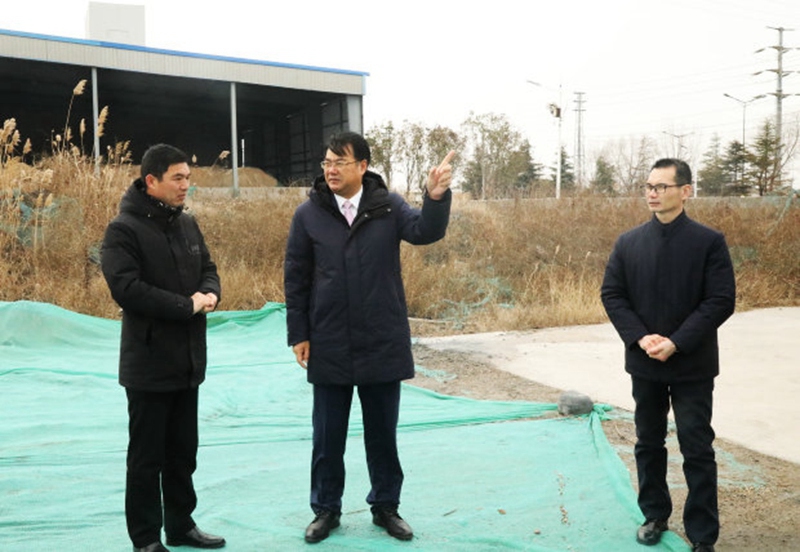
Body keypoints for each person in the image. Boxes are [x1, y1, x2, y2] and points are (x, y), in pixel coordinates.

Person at [284, 131, 454, 543]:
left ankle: (386, 506)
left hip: (381, 338)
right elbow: (296, 277)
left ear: (362, 166)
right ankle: (326, 509)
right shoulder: (309, 214)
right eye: (326, 162)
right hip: (329, 339)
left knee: (382, 434)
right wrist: (299, 333)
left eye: (339, 162)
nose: (330, 170)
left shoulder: (388, 206)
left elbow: (425, 231)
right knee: (328, 436)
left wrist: (435, 197)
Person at [600, 158, 736, 552]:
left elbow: (721, 299)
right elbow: (613, 294)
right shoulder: (629, 243)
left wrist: (677, 341)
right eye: (648, 186)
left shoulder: (708, 242)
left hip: (692, 363)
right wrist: (641, 338)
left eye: (661, 186)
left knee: (696, 446)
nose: (653, 193)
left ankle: (703, 534)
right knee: (648, 441)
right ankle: (654, 515)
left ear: (686, 191)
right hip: (645, 363)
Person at [101, 143, 225, 552]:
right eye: (177, 178)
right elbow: (127, 289)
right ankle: (146, 539)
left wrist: (210, 293)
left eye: (188, 177)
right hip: (149, 365)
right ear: (151, 181)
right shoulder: (123, 230)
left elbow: (208, 268)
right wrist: (186, 305)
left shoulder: (186, 223)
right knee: (146, 458)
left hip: (187, 362)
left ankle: (180, 525)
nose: (185, 185)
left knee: (182, 453)